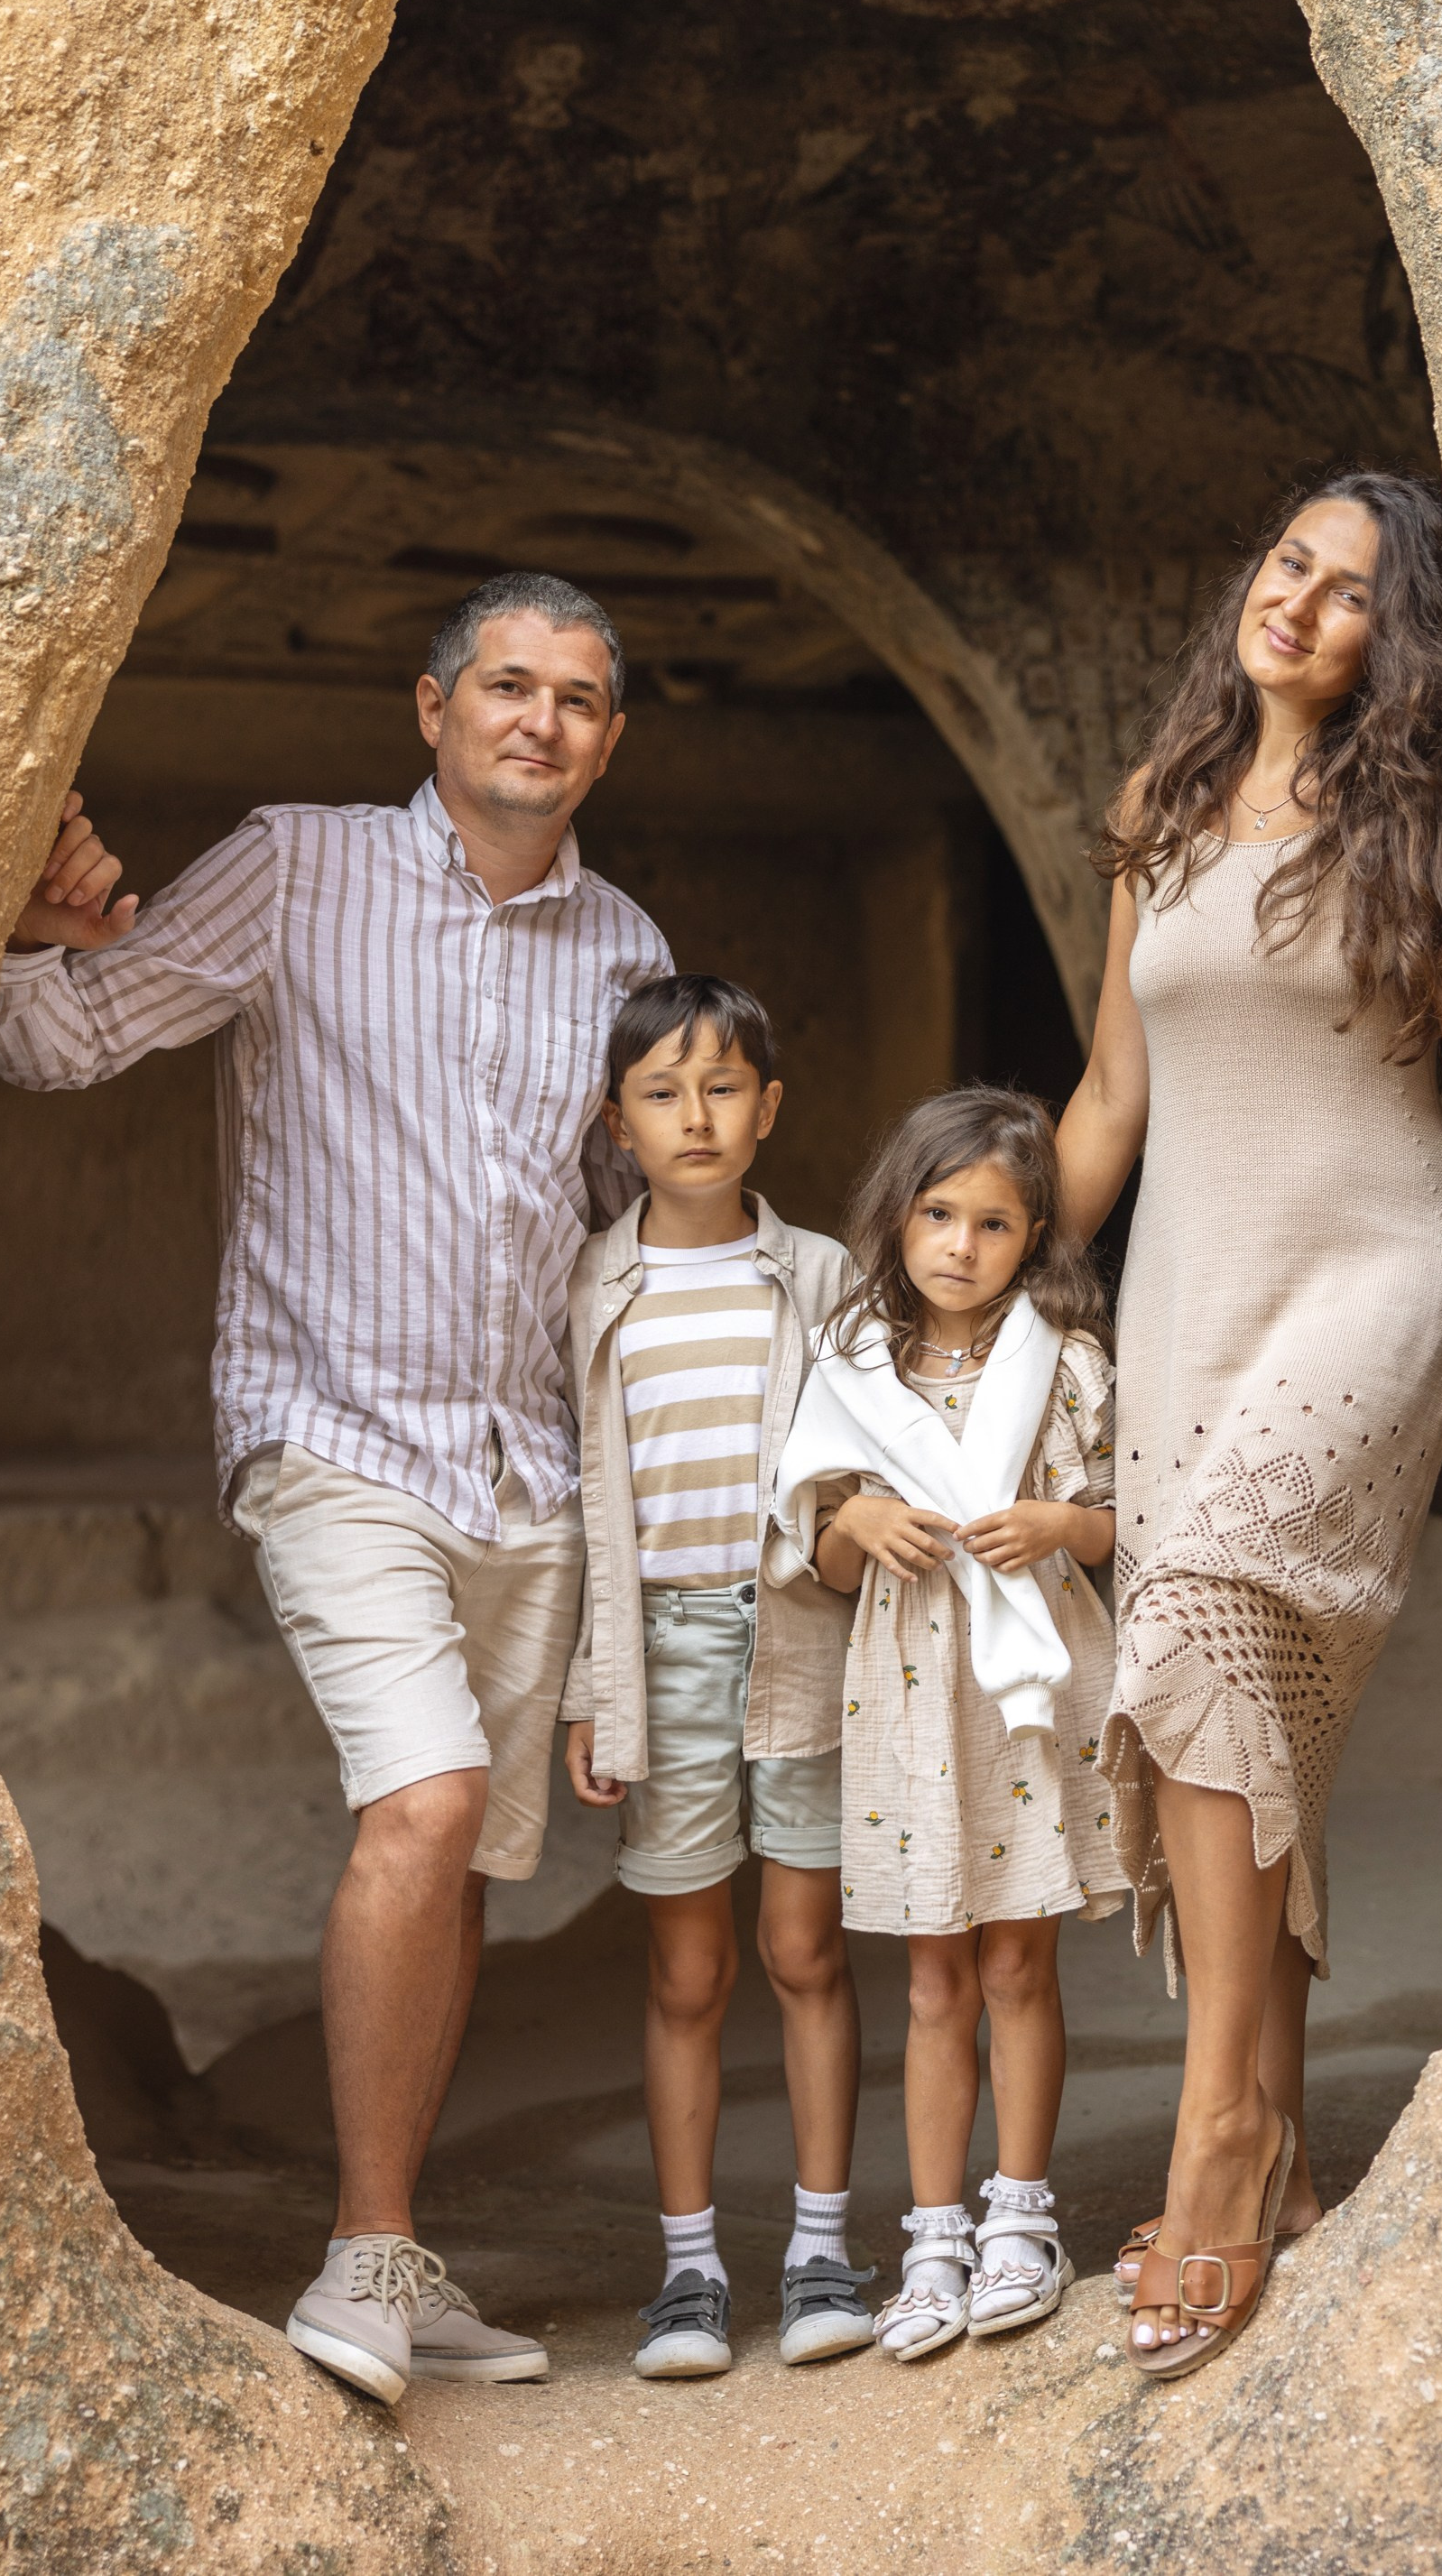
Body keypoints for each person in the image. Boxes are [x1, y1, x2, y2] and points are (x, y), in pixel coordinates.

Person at [0, 574, 670, 2404]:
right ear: (430, 710)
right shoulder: (298, 867)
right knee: (429, 1802)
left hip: (523, 1466)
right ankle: (363, 2263)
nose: (541, 719)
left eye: (581, 698)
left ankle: (402, 2249)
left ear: (610, 738)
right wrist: (25, 916)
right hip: (332, 1438)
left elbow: (623, 1237)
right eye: (507, 685)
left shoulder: (628, 950)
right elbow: (55, 1040)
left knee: (456, 1865)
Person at [1054, 466, 1442, 2379]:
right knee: (1255, 1729)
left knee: (1208, 1616)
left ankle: (1218, 2139)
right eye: (1286, 565)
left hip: (1376, 1268)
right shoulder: (1155, 817)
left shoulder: (1412, 817)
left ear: (1387, 643)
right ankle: (1294, 2141)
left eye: (1346, 597)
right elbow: (1105, 1099)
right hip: (1187, 1294)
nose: (1301, 605)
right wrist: (932, 1329)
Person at [773, 1088, 1124, 2361]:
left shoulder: (1065, 1361)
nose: (959, 1246)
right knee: (932, 1976)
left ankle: (1019, 2218)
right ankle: (931, 2234)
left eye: (992, 1223)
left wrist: (1053, 1527)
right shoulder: (854, 1360)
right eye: (937, 1214)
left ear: (1032, 1239)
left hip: (1021, 1691)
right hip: (912, 1687)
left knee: (1018, 1962)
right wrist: (857, 1525)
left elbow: (1113, 1520)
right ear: (898, 1215)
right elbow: (812, 1544)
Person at [561, 974, 870, 2379]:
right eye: (661, 1091)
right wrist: (589, 1683)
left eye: (724, 1085)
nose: (696, 1115)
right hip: (662, 1646)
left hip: (801, 1634)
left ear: (769, 1108)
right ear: (615, 1123)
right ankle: (687, 2272)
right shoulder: (590, 1289)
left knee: (803, 1950)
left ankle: (819, 2252)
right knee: (686, 1972)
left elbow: (866, 1462)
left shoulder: (815, 1276)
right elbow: (575, 1502)